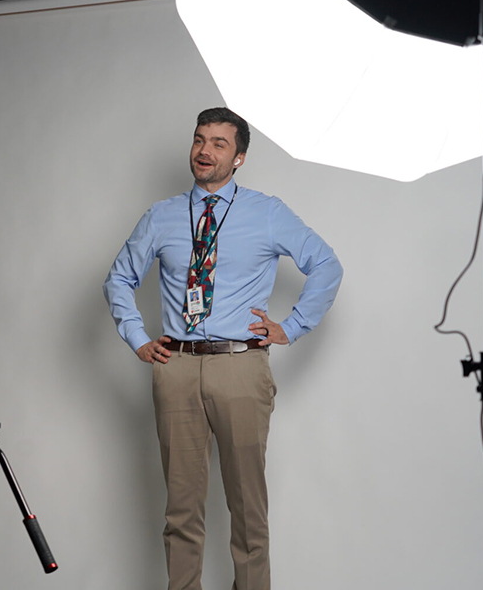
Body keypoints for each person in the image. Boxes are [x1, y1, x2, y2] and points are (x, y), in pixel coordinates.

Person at [103, 107, 343, 590]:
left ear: (239, 157)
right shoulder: (162, 215)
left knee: (247, 506)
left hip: (240, 366)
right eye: (199, 140)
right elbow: (119, 278)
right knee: (181, 507)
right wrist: (137, 338)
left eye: (218, 143)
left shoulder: (267, 212)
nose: (204, 151)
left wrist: (291, 327)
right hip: (176, 368)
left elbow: (326, 265)